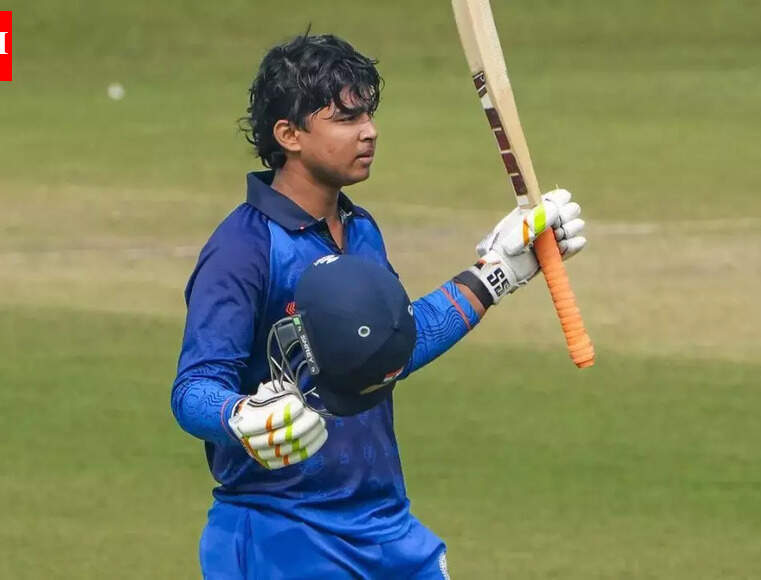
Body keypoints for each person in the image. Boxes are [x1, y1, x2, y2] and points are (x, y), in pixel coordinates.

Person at [170, 33, 587, 579]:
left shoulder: (361, 230)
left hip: (385, 529)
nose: (369, 131)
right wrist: (241, 416)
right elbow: (193, 389)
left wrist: (500, 271)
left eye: (368, 113)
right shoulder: (243, 248)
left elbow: (389, 350)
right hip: (281, 535)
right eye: (346, 118)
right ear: (288, 135)